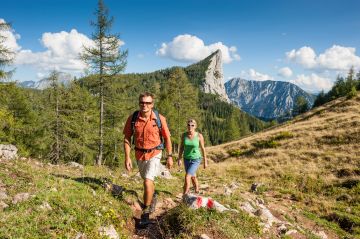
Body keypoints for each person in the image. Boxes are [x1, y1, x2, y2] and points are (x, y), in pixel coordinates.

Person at [123, 92, 173, 227]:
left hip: (155, 153)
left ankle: (145, 213)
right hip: (139, 155)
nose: (144, 105)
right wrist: (127, 157)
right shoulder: (133, 118)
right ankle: (152, 198)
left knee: (147, 180)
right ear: (139, 103)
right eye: (142, 102)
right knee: (147, 180)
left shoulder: (159, 118)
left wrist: (169, 156)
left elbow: (167, 138)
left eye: (148, 103)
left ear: (152, 104)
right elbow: (127, 138)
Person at [178, 119, 208, 195]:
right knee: (193, 176)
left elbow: (203, 149)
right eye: (188, 125)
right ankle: (197, 190)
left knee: (187, 176)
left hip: (196, 159)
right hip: (186, 159)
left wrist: (205, 162)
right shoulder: (184, 135)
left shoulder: (199, 136)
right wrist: (179, 158)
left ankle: (185, 195)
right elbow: (181, 147)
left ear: (195, 126)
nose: (190, 127)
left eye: (192, 125)